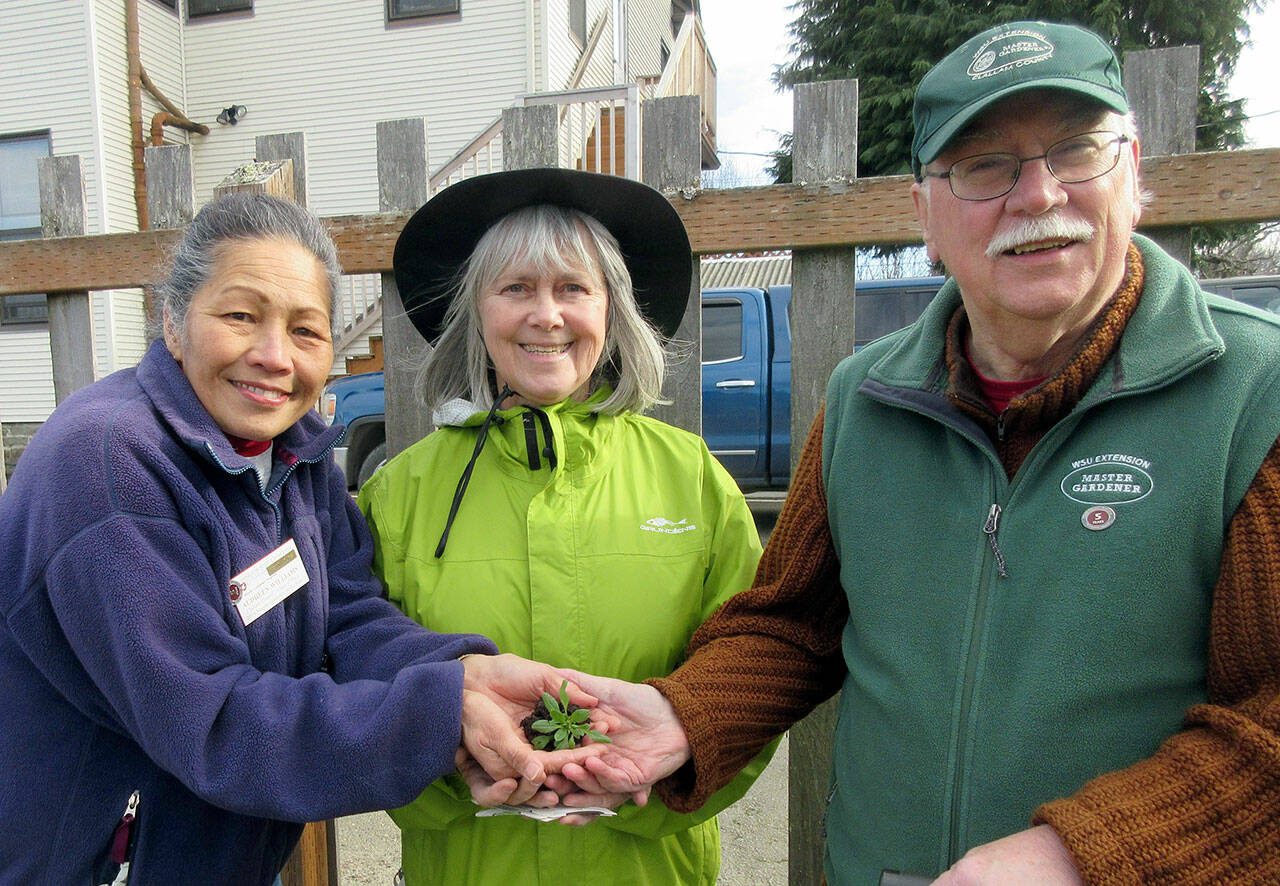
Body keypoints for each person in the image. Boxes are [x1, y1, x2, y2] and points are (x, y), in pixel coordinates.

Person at [553, 20, 1280, 885]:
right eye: (983, 167)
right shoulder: (865, 401)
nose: (1039, 194)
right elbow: (793, 625)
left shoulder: (1254, 400)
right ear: (924, 218)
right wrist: (684, 714)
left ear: (1135, 178)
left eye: (1078, 150)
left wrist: (1079, 855)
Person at [0, 192, 601, 885]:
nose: (274, 356)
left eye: (307, 331)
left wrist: (465, 676)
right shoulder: (109, 467)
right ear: (172, 322)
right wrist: (440, 716)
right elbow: (215, 722)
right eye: (240, 316)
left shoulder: (289, 453)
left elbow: (347, 616)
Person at [357, 167, 773, 885]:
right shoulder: (401, 494)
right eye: (515, 287)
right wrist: (452, 780)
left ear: (612, 310)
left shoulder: (692, 478)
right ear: (476, 312)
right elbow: (357, 678)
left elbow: (752, 666)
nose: (545, 315)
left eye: (572, 288)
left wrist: (650, 786)